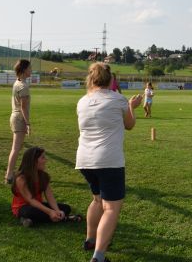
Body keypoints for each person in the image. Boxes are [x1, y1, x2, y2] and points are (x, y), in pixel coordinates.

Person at [76, 62, 142, 262]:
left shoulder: (82, 101)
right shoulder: (118, 100)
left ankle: (90, 239)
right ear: (110, 79)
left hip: (84, 160)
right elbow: (129, 125)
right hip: (109, 160)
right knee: (111, 208)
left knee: (97, 200)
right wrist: (131, 106)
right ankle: (99, 256)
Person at [11, 147, 77, 227]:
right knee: (30, 212)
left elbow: (50, 196)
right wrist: (50, 212)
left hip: (39, 205)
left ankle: (28, 220)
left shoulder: (43, 176)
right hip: (23, 207)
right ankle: (64, 218)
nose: (45, 160)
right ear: (34, 161)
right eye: (42, 158)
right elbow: (31, 200)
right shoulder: (21, 178)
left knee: (66, 208)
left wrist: (57, 210)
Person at [5, 59, 32, 184]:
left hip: (15, 117)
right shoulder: (23, 86)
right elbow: (24, 107)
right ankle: (9, 175)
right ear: (24, 69)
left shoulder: (18, 83)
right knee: (16, 148)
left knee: (17, 147)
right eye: (29, 68)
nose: (31, 70)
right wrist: (27, 123)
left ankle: (12, 173)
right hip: (19, 119)